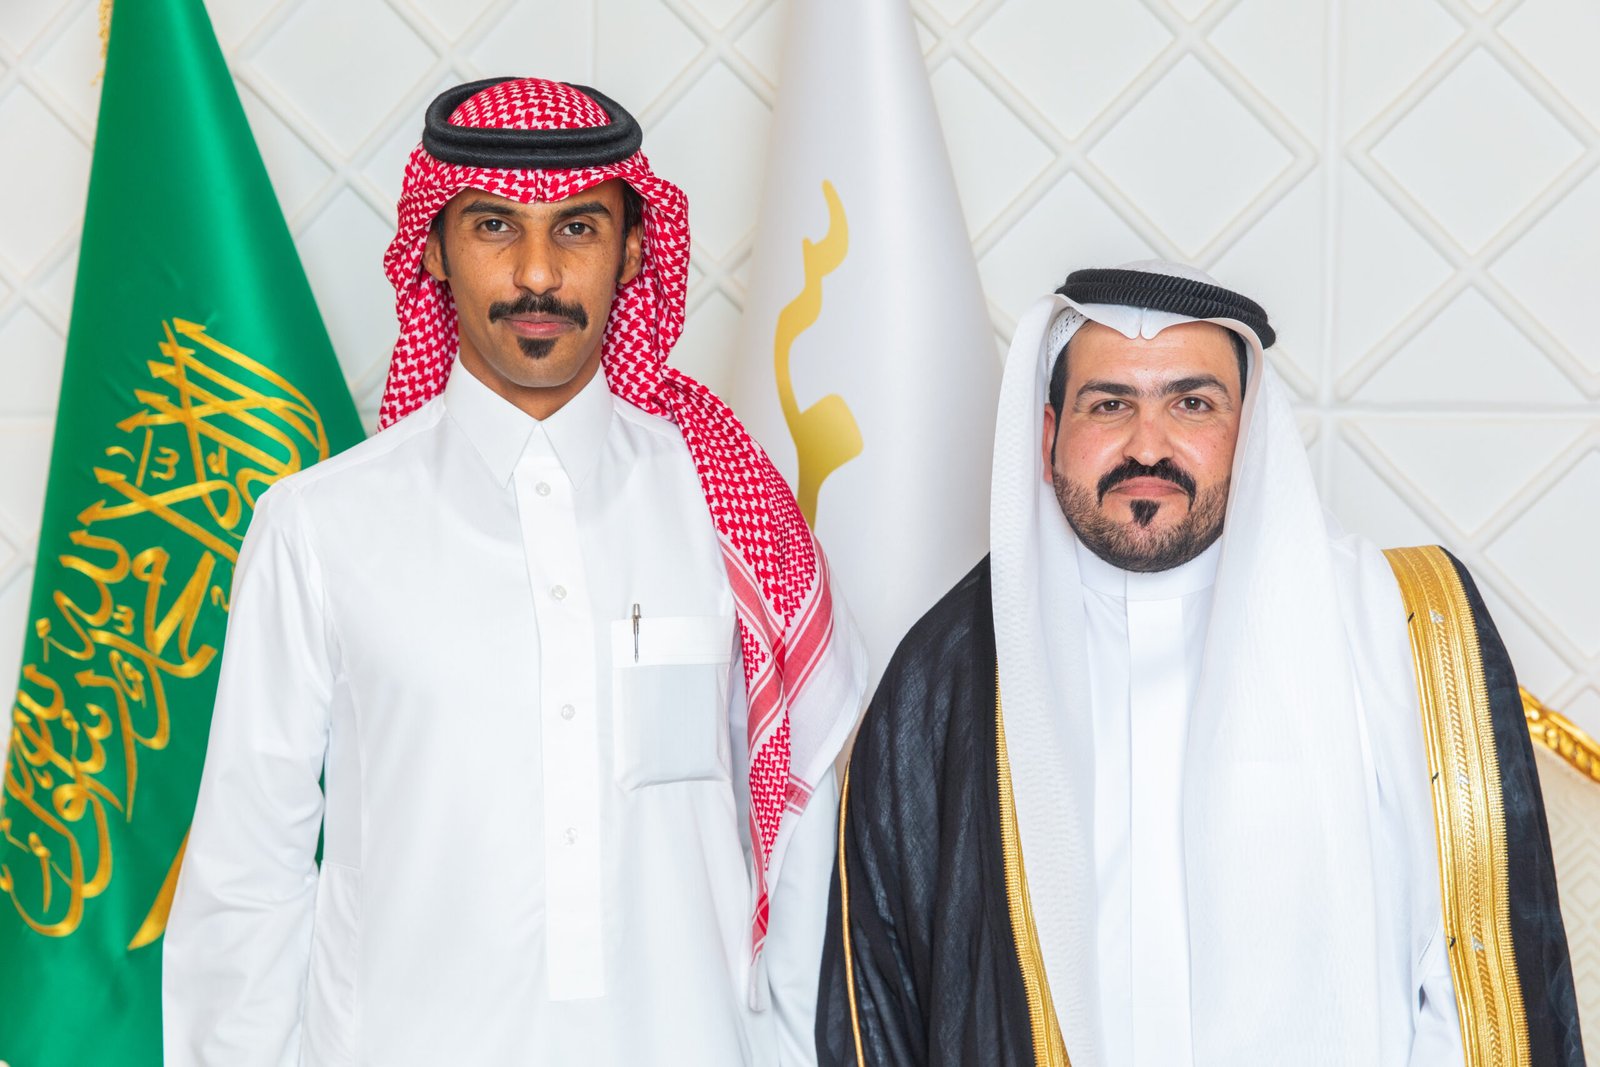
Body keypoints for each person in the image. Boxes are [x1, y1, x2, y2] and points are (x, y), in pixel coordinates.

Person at [162, 77, 866, 1065]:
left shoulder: (723, 501)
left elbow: (801, 843)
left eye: (577, 228)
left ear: (632, 250)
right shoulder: (318, 526)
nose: (538, 273)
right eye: (495, 226)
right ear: (434, 250)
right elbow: (248, 877)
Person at [816, 261, 1583, 1066]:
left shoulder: (1401, 627)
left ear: (1250, 435)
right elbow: (882, 996)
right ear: (1047, 438)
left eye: (1192, 403)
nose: (1148, 444)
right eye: (1109, 404)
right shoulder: (949, 675)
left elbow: (1476, 981)